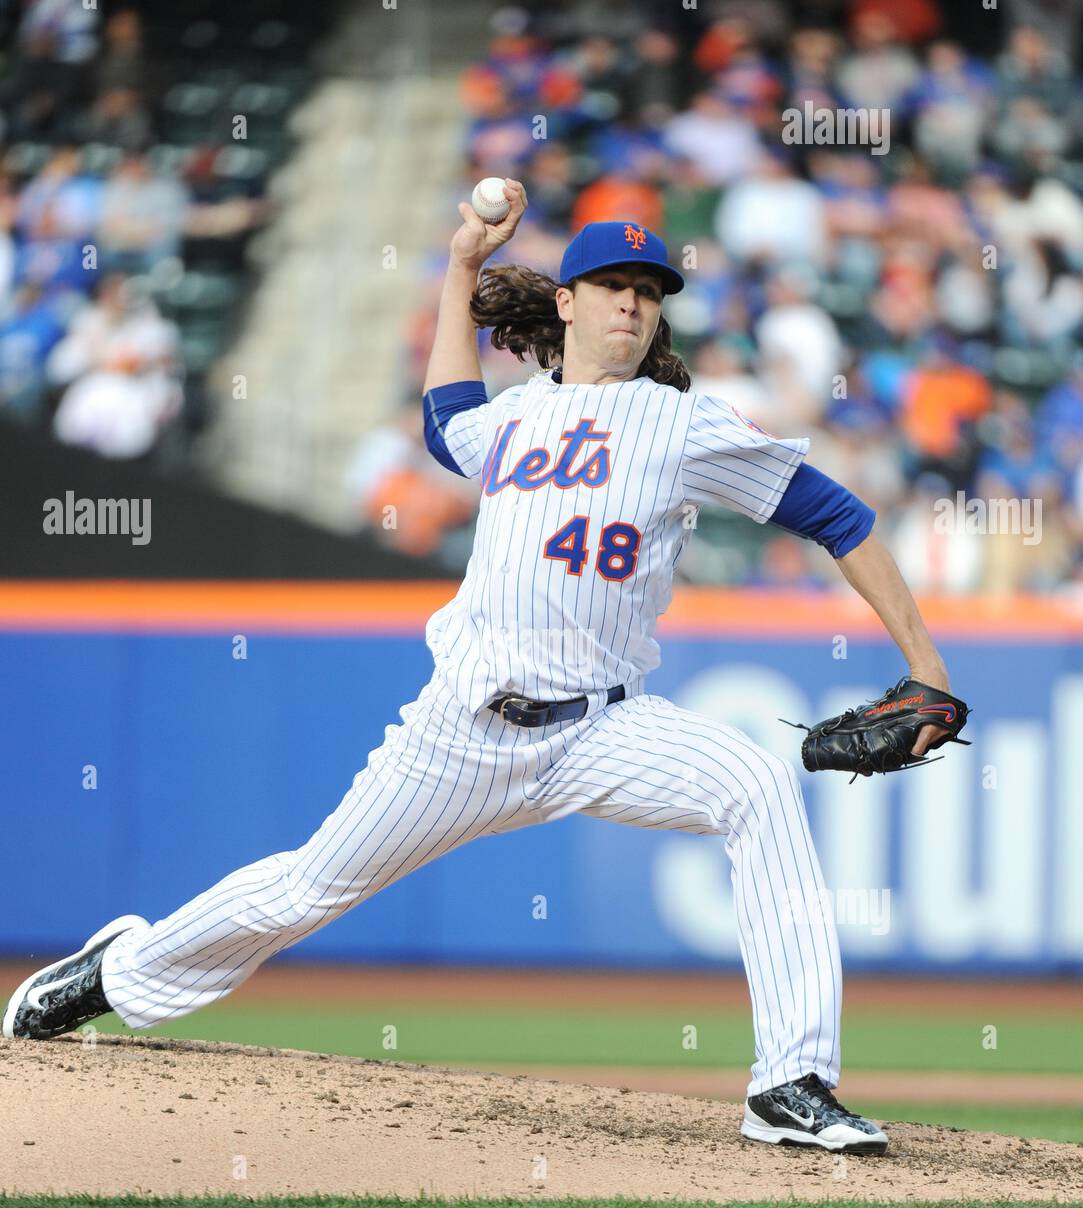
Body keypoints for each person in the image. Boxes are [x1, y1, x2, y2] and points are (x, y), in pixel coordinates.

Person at [4, 183, 957, 1156]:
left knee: (756, 783)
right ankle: (119, 972)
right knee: (306, 890)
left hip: (603, 728)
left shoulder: (684, 426)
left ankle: (789, 1080)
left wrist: (924, 664)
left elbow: (839, 517)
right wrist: (461, 264)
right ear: (568, 303)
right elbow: (442, 417)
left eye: (648, 288)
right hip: (461, 731)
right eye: (610, 283)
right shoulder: (512, 419)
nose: (631, 301)